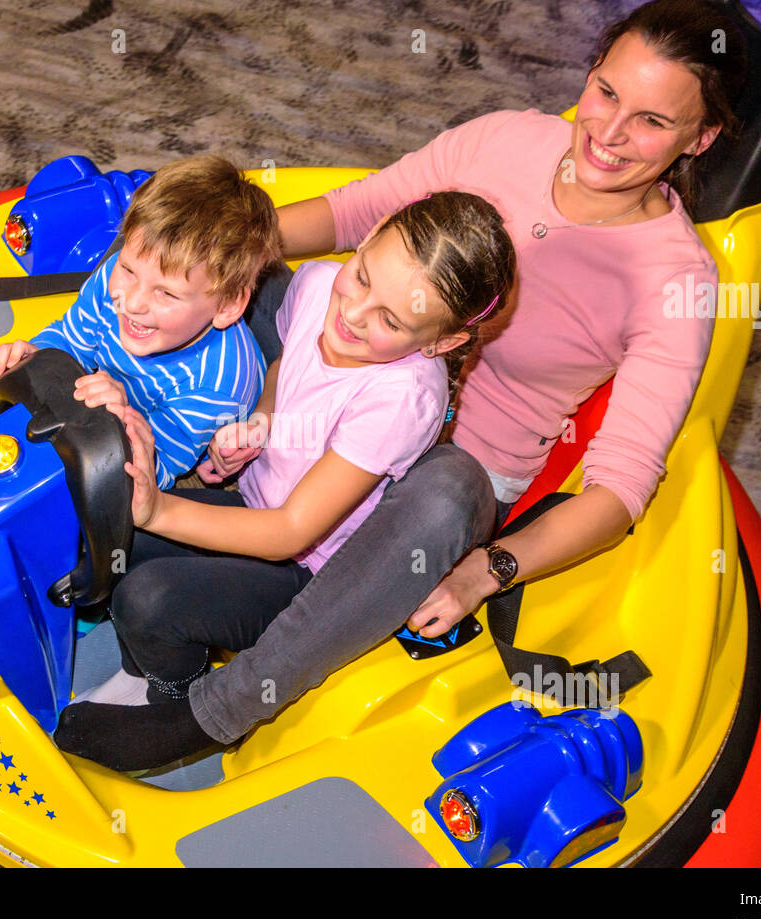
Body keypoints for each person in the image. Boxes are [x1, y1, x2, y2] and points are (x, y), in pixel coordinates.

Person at [55, 0, 748, 771]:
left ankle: (219, 709)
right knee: (269, 288)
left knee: (448, 486)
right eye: (606, 91)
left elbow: (620, 490)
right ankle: (60, 449)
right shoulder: (510, 139)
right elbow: (358, 211)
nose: (610, 133)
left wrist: (487, 569)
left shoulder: (673, 280)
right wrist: (199, 254)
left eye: (652, 121)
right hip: (335, 395)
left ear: (701, 138)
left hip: (444, 473)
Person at [53, 192, 516, 768]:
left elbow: (292, 532)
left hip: (302, 569)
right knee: (97, 525)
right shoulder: (320, 284)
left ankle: (170, 689)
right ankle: (135, 661)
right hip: (250, 502)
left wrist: (158, 513)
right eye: (363, 276)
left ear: (441, 342)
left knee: (149, 598)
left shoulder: (403, 398)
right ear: (363, 243)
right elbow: (284, 362)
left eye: (391, 320)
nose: (353, 314)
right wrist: (263, 420)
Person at [0, 153, 280, 488]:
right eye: (128, 269)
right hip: (107, 403)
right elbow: (69, 339)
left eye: (166, 294)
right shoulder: (113, 279)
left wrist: (123, 420)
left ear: (226, 307)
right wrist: (35, 354)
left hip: (176, 458)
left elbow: (159, 473)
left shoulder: (214, 386)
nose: (132, 302)